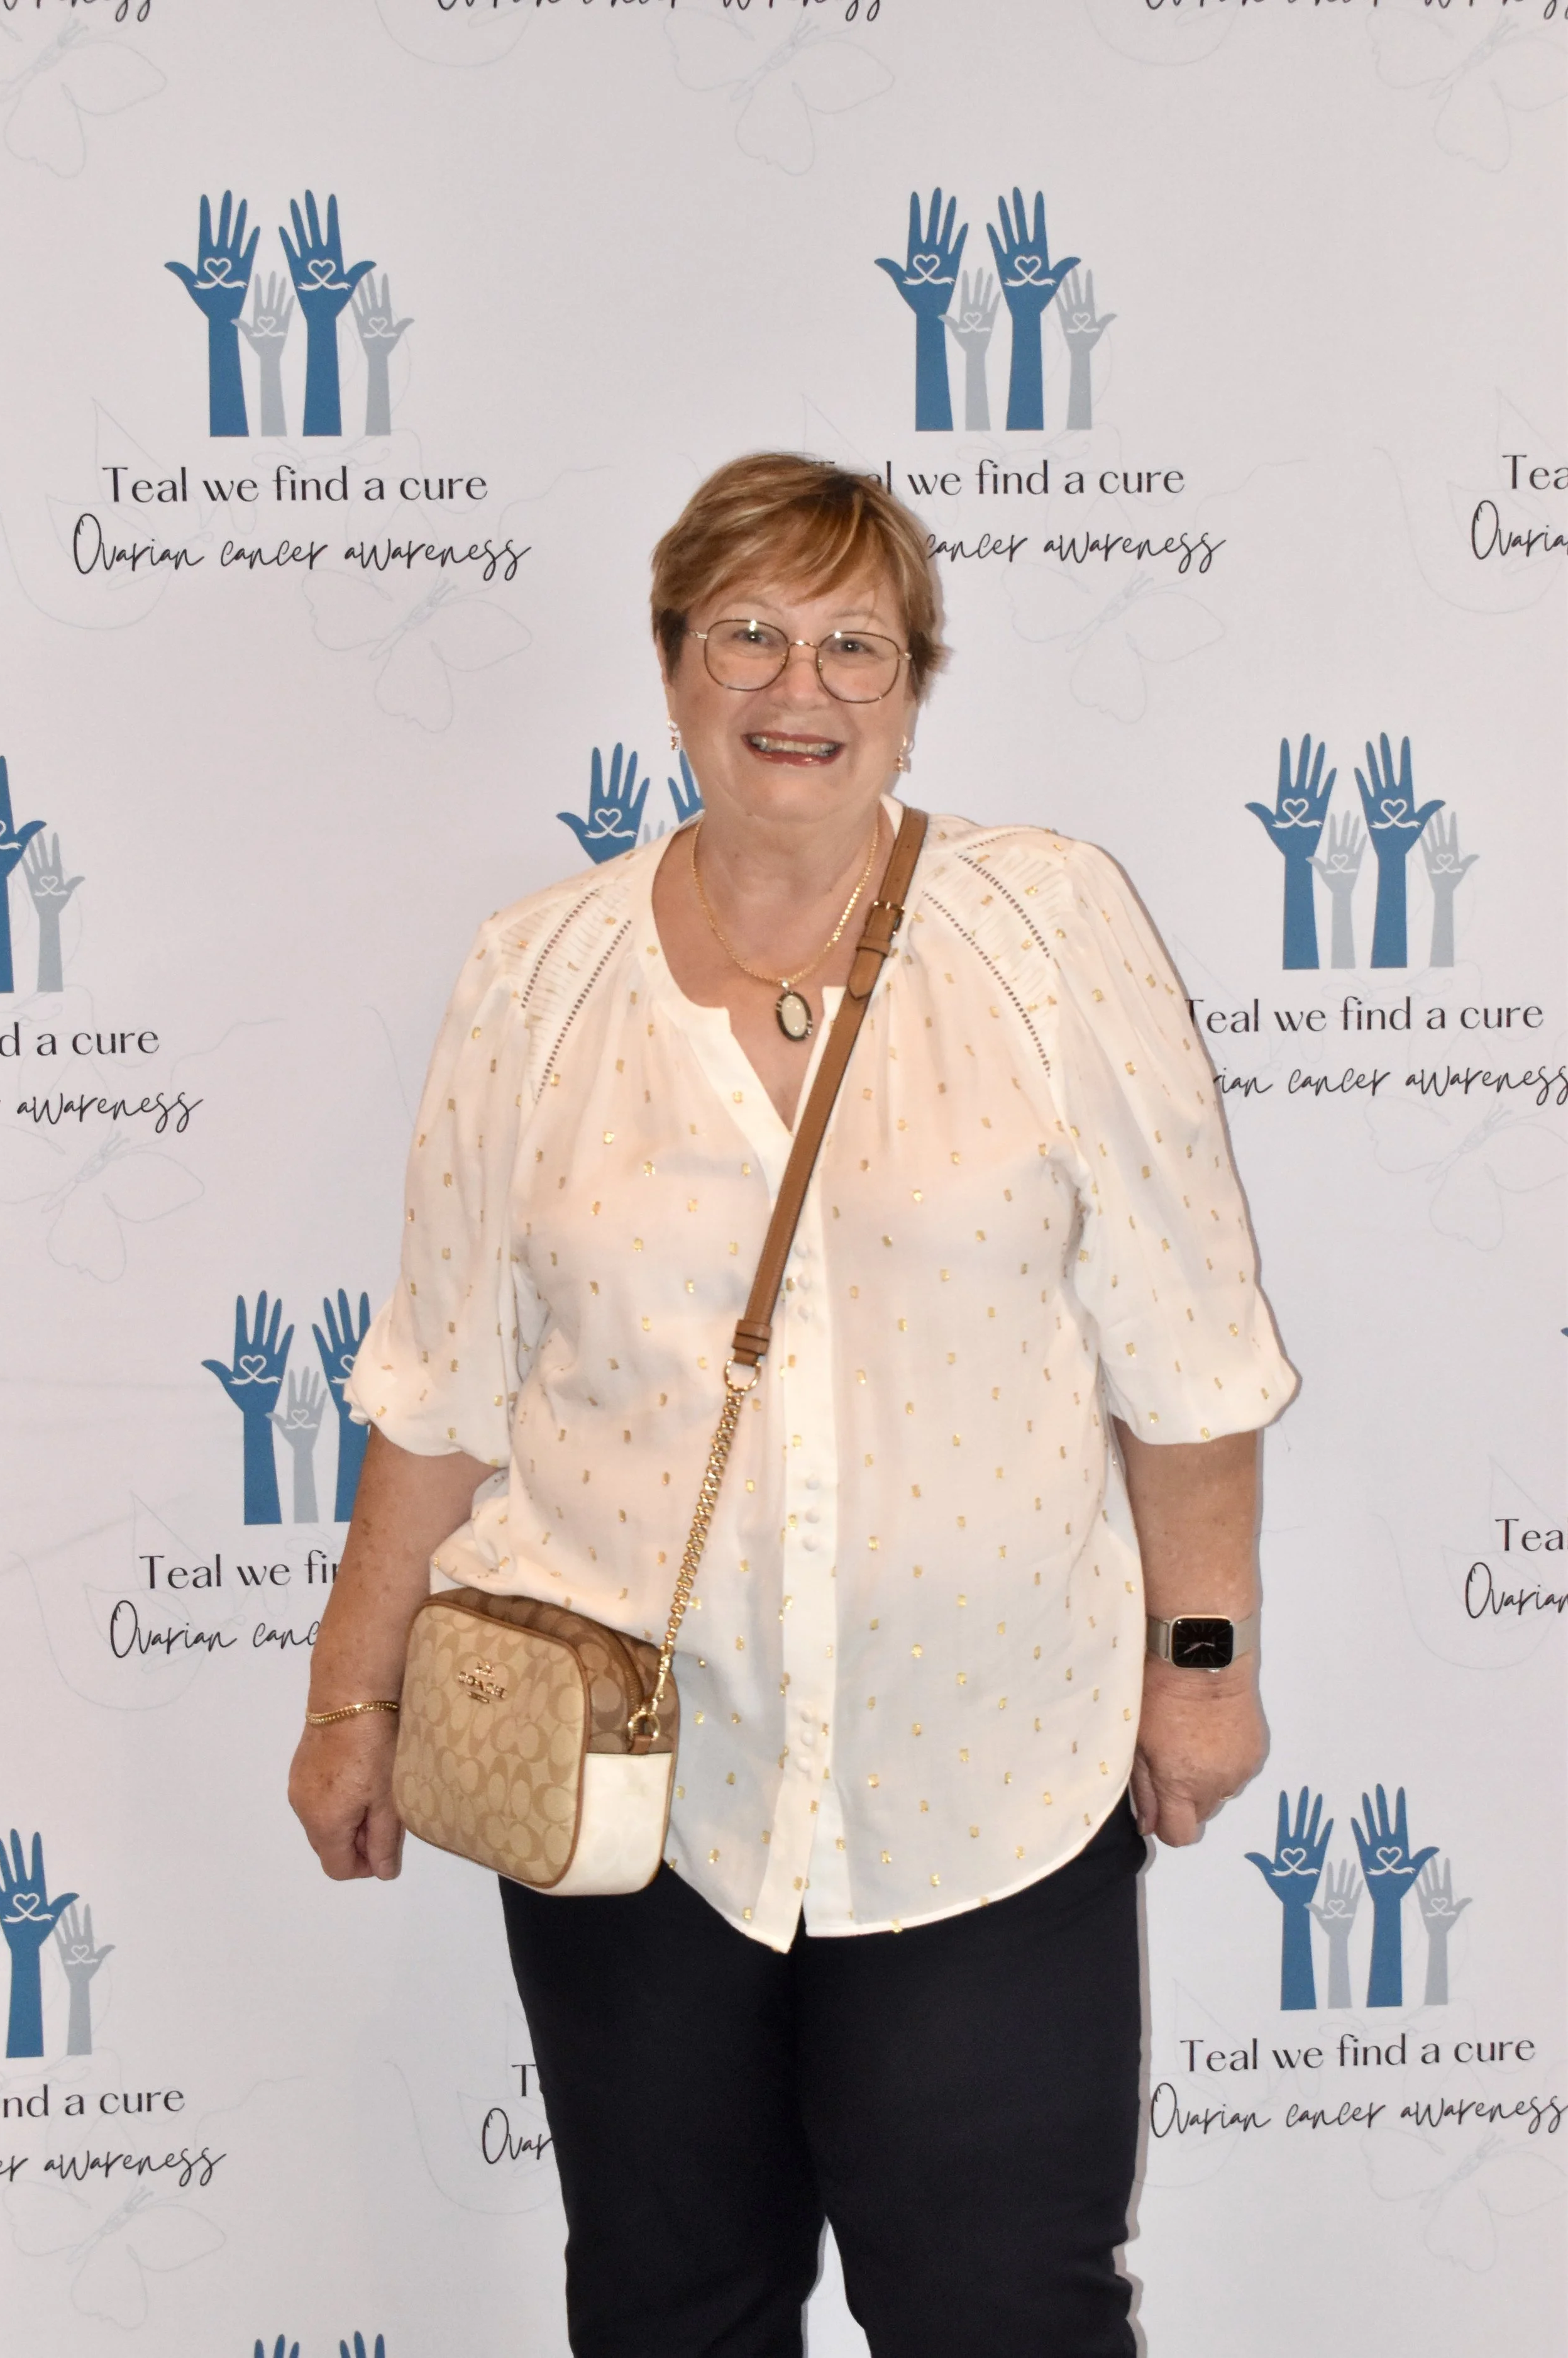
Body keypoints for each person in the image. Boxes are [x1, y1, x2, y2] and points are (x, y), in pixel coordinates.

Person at [289, 453, 1297, 2358]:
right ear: (671, 669)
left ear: (912, 685)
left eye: (850, 641)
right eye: (746, 631)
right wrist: (354, 1694)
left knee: (1001, 2313)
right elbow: (432, 1378)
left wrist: (1202, 1662)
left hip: (981, 1778)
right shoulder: (536, 976)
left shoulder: (1045, 928)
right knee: (674, 2310)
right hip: (633, 1793)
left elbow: (1189, 1352)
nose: (796, 686)